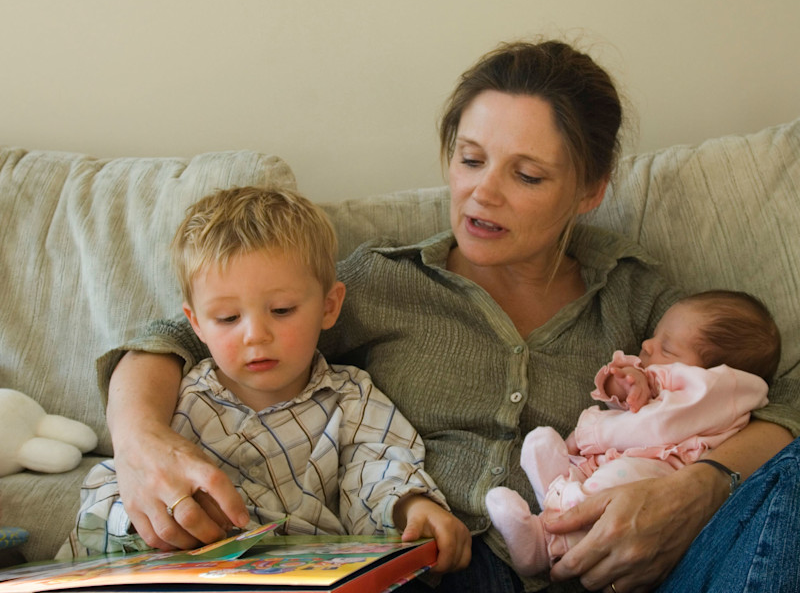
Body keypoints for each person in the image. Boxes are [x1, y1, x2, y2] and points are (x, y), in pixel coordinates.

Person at [97, 40, 799, 592]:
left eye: (525, 176)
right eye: (469, 159)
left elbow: (777, 405)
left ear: (589, 190)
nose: (481, 194)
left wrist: (697, 490)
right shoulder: (380, 282)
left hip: (620, 573)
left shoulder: (635, 294)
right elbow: (183, 337)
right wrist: (137, 441)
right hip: (434, 569)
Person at [73, 186, 470, 566]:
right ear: (195, 324)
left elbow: (379, 467)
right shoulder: (178, 401)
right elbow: (112, 490)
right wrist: (161, 517)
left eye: (281, 310)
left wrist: (410, 507)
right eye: (227, 318)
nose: (255, 335)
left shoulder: (353, 398)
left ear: (329, 307)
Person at [486, 290, 778, 577]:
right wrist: (624, 385)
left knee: (614, 486)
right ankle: (553, 490)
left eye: (667, 348)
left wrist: (590, 433)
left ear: (719, 369)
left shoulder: (717, 390)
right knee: (580, 463)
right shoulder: (675, 380)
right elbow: (636, 405)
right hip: (633, 455)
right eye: (654, 336)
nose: (647, 345)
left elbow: (659, 424)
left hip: (661, 470)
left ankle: (545, 544)